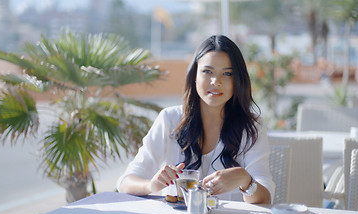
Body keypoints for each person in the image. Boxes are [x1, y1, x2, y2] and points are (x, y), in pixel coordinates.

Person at [117, 35, 274, 204]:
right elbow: (125, 182)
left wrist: (245, 180)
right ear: (195, 75)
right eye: (207, 71)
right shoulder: (170, 119)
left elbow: (265, 198)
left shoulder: (251, 127)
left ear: (238, 80)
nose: (216, 81)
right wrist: (152, 185)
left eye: (227, 73)